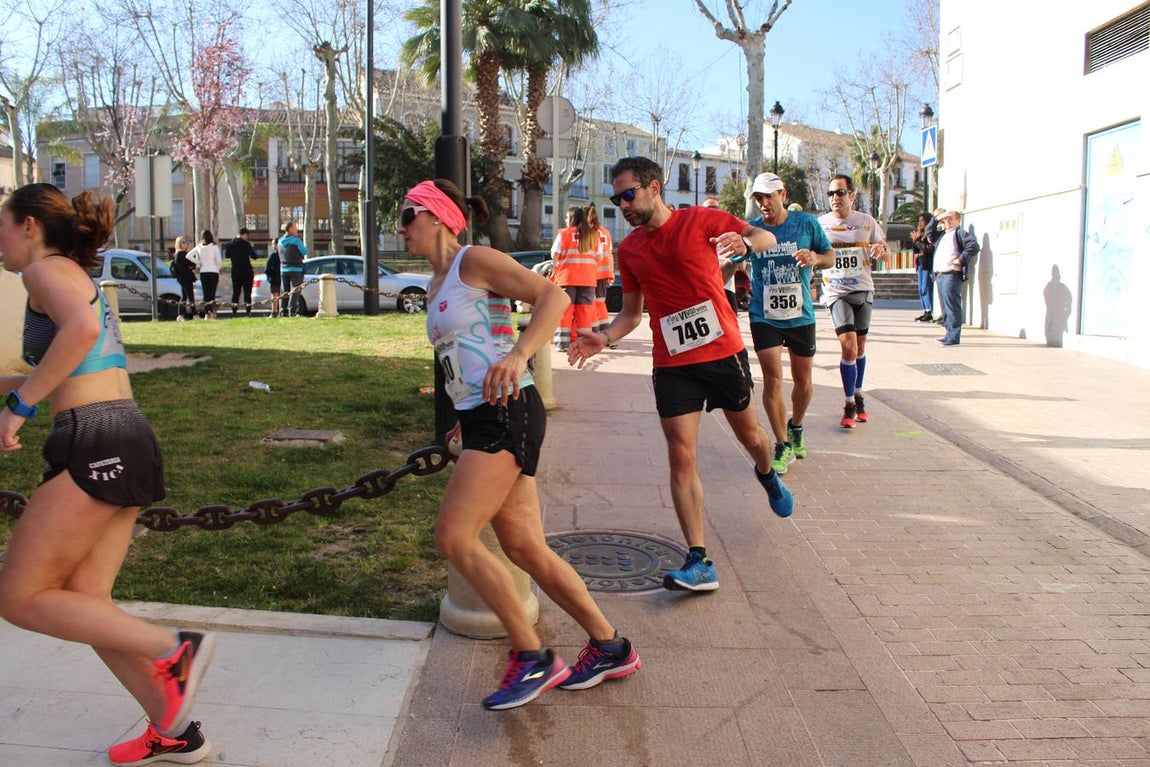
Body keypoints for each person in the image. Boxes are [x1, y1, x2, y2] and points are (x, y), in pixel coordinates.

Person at [399, 179, 640, 710]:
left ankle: (532, 658)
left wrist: (519, 356)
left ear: (437, 216)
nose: (401, 227)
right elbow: (461, 356)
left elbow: (551, 295)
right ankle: (610, 646)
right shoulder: (439, 283)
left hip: (508, 412)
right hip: (482, 417)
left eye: (407, 214)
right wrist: (461, 417)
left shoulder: (473, 259)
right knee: (525, 548)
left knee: (453, 535)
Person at [0, 183, 216, 766]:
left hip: (94, 438)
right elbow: (74, 361)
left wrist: (18, 409)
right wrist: (14, 394)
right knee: (84, 599)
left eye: (1, 224)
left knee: (17, 597)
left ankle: (175, 648)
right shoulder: (68, 273)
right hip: (124, 434)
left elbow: (85, 334)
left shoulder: (43, 271)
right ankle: (175, 730)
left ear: (27, 226)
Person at [568, 156, 794, 593]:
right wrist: (605, 337)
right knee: (681, 454)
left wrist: (745, 243)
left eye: (629, 194)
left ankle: (767, 473)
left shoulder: (700, 220)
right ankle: (699, 559)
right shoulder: (630, 248)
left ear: (654, 187)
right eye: (617, 198)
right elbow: (632, 314)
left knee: (751, 439)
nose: (623, 204)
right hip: (672, 363)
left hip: (722, 352)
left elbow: (765, 235)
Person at [744, 172, 834, 474]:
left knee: (803, 381)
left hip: (800, 314)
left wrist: (814, 258)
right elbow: (731, 264)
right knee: (771, 379)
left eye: (769, 196)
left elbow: (830, 256)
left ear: (783, 195)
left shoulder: (806, 223)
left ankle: (796, 425)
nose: (764, 203)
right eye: (758, 198)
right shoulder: (751, 229)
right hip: (763, 313)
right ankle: (782, 444)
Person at [817, 174, 889, 428]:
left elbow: (883, 248)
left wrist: (882, 250)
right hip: (836, 293)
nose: (835, 198)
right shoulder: (821, 224)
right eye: (831, 194)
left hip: (863, 290)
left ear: (852, 195)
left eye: (840, 193)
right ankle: (848, 404)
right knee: (848, 347)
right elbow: (813, 252)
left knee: (859, 348)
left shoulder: (865, 222)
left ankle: (859, 394)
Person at [549, 206, 599, 350]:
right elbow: (599, 256)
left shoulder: (564, 234)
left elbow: (554, 254)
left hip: (567, 278)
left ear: (572, 218)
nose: (565, 220)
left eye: (566, 217)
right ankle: (582, 343)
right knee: (584, 312)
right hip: (588, 280)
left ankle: (562, 344)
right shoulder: (593, 235)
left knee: (565, 311)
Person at [933, 209, 980, 346]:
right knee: (945, 308)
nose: (948, 221)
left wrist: (961, 259)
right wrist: (937, 218)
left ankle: (953, 336)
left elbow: (973, 246)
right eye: (946, 219)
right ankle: (948, 333)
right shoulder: (942, 235)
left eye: (951, 219)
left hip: (951, 274)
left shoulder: (960, 233)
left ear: (958, 221)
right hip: (940, 275)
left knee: (952, 306)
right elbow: (930, 231)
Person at [702, 196, 739, 314]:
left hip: (727, 288)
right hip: (705, 290)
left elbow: (741, 263)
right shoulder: (696, 234)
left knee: (732, 329)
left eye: (715, 207)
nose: (712, 210)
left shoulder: (729, 232)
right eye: (709, 207)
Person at [587, 203, 614, 334]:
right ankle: (605, 329)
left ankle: (594, 330)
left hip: (591, 272)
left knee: (591, 303)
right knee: (601, 303)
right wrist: (611, 272)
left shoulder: (588, 233)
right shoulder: (605, 232)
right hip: (605, 272)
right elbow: (610, 253)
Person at [186, 230, 220, 320]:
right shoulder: (214, 247)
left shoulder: (199, 247)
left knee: (206, 293)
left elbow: (188, 255)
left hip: (204, 271)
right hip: (213, 271)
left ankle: (206, 313)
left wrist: (199, 262)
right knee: (212, 293)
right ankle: (212, 312)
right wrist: (217, 268)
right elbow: (219, 260)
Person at [224, 227, 257, 316]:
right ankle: (248, 311)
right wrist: (252, 247)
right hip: (246, 271)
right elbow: (254, 256)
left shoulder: (230, 244)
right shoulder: (246, 244)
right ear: (245, 234)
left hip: (235, 270)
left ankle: (234, 311)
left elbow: (227, 255)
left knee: (236, 292)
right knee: (247, 292)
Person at [278, 221, 308, 317]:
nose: (297, 229)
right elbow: (304, 251)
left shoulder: (279, 242)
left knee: (285, 291)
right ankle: (292, 312)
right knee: (295, 291)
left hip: (283, 269)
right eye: (295, 227)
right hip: (296, 269)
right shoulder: (296, 241)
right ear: (290, 229)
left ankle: (283, 311)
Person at [910, 212, 936, 322]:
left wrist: (917, 241)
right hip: (920, 263)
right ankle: (925, 309)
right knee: (921, 288)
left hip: (927, 264)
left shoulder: (930, 235)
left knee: (926, 287)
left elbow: (927, 249)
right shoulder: (920, 235)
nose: (920, 223)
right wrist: (915, 241)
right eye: (919, 220)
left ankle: (929, 311)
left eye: (922, 220)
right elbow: (916, 250)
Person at [171, 235, 197, 321]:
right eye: (183, 242)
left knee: (184, 296)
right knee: (190, 296)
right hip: (185, 278)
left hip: (182, 278)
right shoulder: (181, 254)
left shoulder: (178, 254)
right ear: (179, 244)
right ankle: (194, 314)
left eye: (186, 242)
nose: (186, 244)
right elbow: (191, 264)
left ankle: (181, 315)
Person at [264, 238, 282, 318]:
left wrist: (270, 276)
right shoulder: (283, 255)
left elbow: (267, 269)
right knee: (281, 295)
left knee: (274, 295)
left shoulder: (273, 255)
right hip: (281, 277)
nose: (272, 246)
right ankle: (280, 310)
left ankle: (274, 311)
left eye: (273, 244)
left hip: (274, 278)